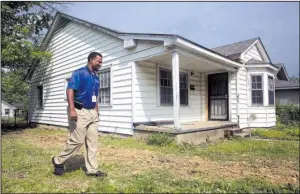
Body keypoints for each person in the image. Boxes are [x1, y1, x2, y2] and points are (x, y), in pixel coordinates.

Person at [52, 52, 107, 177]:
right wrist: (72, 109)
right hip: (79, 110)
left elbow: (95, 95)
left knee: (92, 142)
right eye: (99, 61)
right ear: (91, 60)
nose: (100, 64)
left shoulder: (96, 76)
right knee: (77, 140)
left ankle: (92, 170)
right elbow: (70, 90)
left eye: (101, 61)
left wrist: (96, 110)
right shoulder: (79, 73)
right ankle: (58, 160)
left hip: (92, 112)